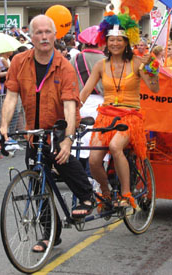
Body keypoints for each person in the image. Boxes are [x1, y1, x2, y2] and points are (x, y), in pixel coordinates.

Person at [0, 14, 94, 252]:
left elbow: (70, 105)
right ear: (31, 35)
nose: (43, 36)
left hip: (59, 126)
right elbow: (11, 97)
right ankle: (50, 234)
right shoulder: (19, 62)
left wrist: (68, 139)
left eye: (47, 32)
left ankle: (87, 196)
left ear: (54, 35)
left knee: (63, 157)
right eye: (38, 32)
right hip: (34, 132)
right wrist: (4, 127)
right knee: (38, 185)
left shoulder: (64, 66)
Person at [80, 10, 159, 209]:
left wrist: (152, 69)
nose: (115, 43)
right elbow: (84, 92)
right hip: (105, 118)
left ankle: (126, 195)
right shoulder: (100, 65)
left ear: (127, 42)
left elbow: (154, 88)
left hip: (130, 117)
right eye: (111, 40)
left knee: (115, 147)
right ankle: (106, 193)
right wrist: (71, 112)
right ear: (105, 42)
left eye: (119, 40)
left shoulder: (138, 63)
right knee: (93, 159)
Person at [70, 25, 105, 174]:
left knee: (78, 143)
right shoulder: (106, 60)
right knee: (97, 146)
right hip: (100, 105)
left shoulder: (75, 59)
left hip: (79, 103)